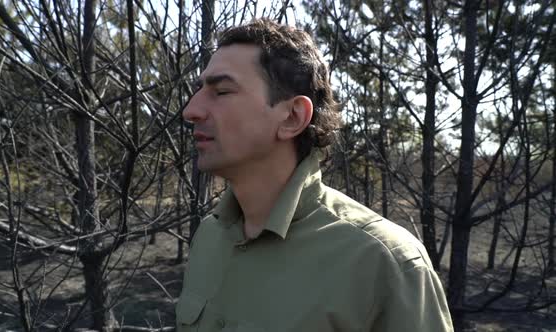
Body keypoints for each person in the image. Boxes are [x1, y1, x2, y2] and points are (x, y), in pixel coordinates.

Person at [176, 18, 453, 332]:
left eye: (222, 91)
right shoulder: (209, 237)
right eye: (199, 91)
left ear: (293, 117)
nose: (191, 110)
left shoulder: (384, 263)